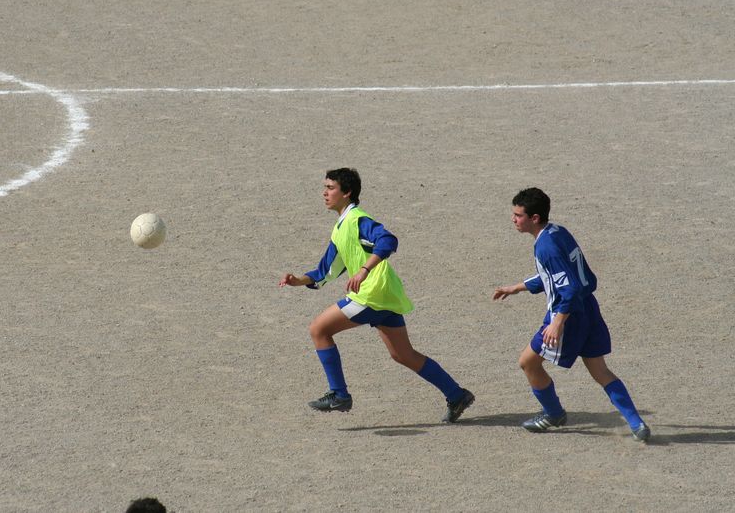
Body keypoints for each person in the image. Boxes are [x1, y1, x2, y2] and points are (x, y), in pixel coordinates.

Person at [279, 168, 474, 421]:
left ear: (347, 192)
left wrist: (363, 270)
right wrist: (298, 281)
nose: (324, 193)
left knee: (319, 330)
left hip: (371, 294)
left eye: (330, 188)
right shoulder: (340, 228)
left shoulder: (358, 220)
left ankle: (339, 394)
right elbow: (325, 271)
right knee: (403, 354)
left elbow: (388, 240)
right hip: (386, 295)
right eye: (325, 187)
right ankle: (457, 395)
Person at [493, 187, 650, 442]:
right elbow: (556, 275)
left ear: (534, 218)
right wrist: (517, 287)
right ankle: (637, 424)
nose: (513, 219)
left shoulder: (545, 247)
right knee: (600, 371)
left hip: (569, 315)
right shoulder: (557, 231)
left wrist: (557, 323)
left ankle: (553, 414)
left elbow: (568, 287)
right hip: (588, 308)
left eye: (518, 215)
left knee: (528, 362)